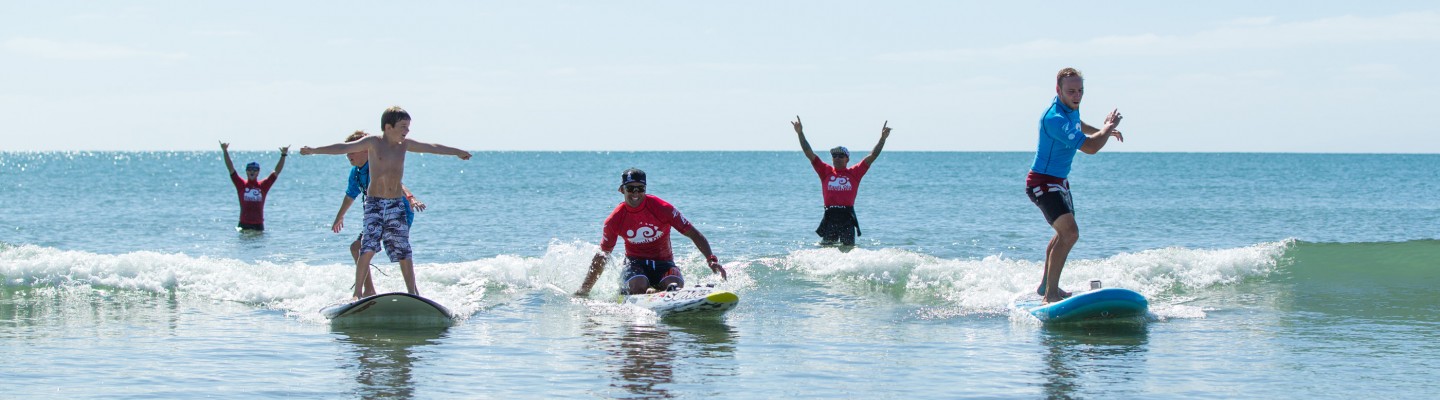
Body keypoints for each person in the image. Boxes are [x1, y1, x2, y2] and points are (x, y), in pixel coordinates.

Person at [300, 106, 472, 299]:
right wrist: (314, 150)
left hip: (395, 204)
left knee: (404, 250)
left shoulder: (404, 145)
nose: (407, 131)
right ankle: (358, 294)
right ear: (388, 127)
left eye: (408, 127)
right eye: (403, 126)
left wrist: (457, 151)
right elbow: (343, 147)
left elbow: (432, 148)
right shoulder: (373, 143)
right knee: (367, 248)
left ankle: (413, 293)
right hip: (374, 205)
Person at [1027, 67, 1124, 304]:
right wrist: (1107, 128)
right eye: (1071, 91)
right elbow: (1090, 148)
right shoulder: (1054, 118)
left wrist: (1101, 131)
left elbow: (1077, 124)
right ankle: (1050, 295)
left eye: (1080, 90)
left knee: (1063, 233)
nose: (1077, 96)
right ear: (1058, 90)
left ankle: (1046, 286)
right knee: (1070, 233)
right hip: (1042, 183)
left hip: (1059, 182)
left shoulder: (1068, 108)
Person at [574, 168, 728, 297]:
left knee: (674, 285)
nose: (635, 193)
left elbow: (693, 234)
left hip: (664, 263)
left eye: (640, 188)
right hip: (634, 265)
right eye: (630, 188)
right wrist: (584, 290)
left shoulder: (662, 208)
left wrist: (711, 259)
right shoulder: (614, 220)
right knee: (639, 284)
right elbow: (603, 255)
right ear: (622, 190)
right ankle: (644, 291)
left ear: (645, 189)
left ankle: (655, 292)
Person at [329, 130, 426, 296]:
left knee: (400, 251)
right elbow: (350, 195)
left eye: (352, 151)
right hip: (377, 214)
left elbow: (399, 184)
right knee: (357, 248)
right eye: (347, 152)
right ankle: (369, 290)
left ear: (366, 149)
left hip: (399, 211)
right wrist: (340, 216)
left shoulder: (377, 164)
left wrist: (411, 198)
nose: (348, 155)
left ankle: (413, 293)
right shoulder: (356, 173)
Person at [790, 116, 891, 246]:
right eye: (834, 155)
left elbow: (872, 156)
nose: (837, 158)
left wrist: (882, 139)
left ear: (847, 159)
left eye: (841, 155)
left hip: (847, 218)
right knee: (825, 250)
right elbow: (809, 153)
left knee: (848, 251)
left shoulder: (855, 173)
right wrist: (800, 133)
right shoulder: (825, 171)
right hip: (830, 216)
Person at [220, 141, 288, 231]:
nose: (252, 171)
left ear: (258, 172)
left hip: (258, 226)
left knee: (258, 245)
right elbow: (231, 168)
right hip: (243, 225)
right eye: (249, 169)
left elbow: (276, 172)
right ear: (246, 171)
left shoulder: (263, 186)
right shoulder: (241, 185)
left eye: (255, 170)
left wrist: (283, 155)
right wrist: (225, 151)